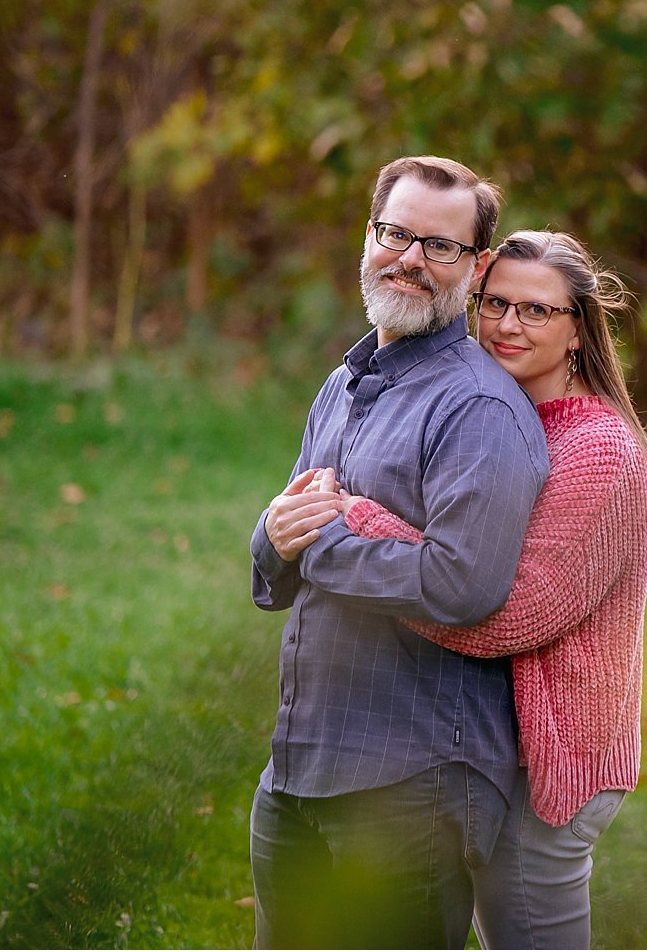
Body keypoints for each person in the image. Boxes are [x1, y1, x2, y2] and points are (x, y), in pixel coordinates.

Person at [248, 156, 549, 950]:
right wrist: (275, 539)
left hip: (412, 781)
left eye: (439, 246)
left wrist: (318, 544)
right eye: (395, 233)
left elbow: (463, 584)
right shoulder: (344, 382)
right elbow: (286, 523)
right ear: (369, 237)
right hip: (299, 765)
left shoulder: (479, 407)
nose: (410, 258)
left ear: (477, 266)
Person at [336, 230, 647, 951]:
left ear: (578, 328)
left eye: (537, 311)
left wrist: (360, 524)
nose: (509, 326)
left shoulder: (598, 452)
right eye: (495, 304)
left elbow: (509, 615)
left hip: (553, 758)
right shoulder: (510, 420)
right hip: (500, 746)